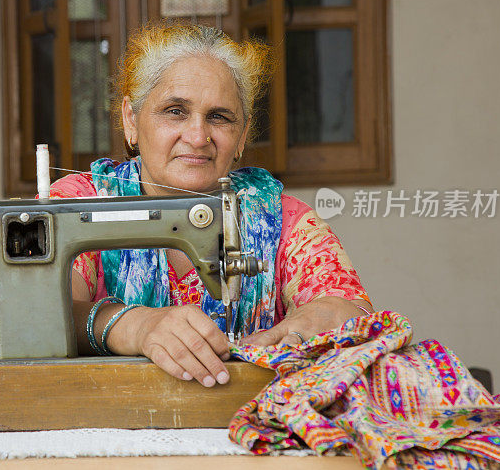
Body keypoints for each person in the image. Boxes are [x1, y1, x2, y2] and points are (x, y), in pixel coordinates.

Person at [56, 22, 373, 388]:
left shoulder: (284, 221)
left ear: (241, 135)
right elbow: (41, 313)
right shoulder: (78, 204)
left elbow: (352, 312)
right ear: (131, 119)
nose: (197, 137)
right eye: (175, 111)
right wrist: (136, 326)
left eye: (219, 117)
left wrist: (306, 325)